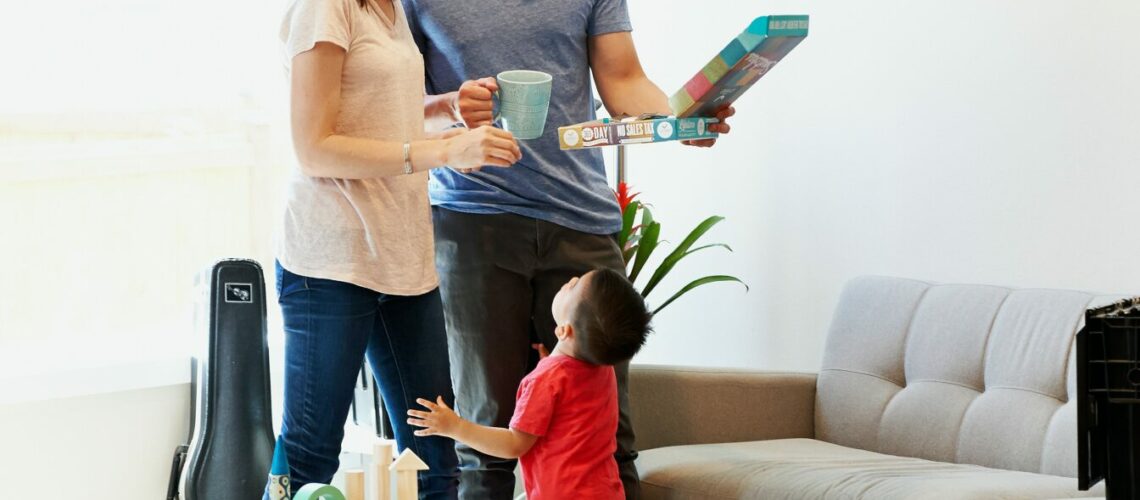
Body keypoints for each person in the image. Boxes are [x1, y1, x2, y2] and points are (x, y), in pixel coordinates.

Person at [400, 1, 734, 497]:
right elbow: (390, 105)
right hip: (473, 219)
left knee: (608, 435)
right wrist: (451, 109)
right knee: (483, 445)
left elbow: (623, 80)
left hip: (580, 219)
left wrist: (677, 120)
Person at [276, 0, 521, 497]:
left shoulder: (390, 8)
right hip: (331, 262)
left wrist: (449, 107)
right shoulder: (326, 8)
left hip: (404, 259)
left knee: (435, 457)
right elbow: (314, 146)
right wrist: (446, 150)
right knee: (310, 457)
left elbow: (380, 117)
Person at [407, 269, 654, 500]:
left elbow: (515, 444)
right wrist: (551, 362)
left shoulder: (547, 381)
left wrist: (455, 426)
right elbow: (574, 408)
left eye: (574, 287)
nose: (570, 281)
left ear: (564, 331)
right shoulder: (604, 369)